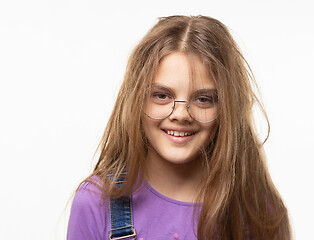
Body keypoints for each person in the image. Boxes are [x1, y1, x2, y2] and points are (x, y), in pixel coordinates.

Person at [67, 15, 291, 240]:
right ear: (136, 100)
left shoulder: (260, 212)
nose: (181, 114)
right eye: (162, 96)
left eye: (203, 99)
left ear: (226, 109)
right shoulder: (96, 202)